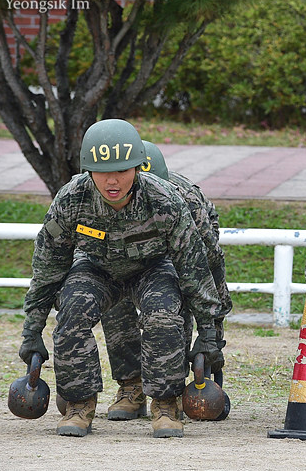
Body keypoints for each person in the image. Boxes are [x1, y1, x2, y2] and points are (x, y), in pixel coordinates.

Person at [17, 119, 224, 438]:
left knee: (165, 310)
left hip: (152, 266)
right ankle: (78, 405)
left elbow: (194, 270)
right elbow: (48, 269)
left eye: (122, 171)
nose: (112, 180)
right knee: (72, 307)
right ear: (88, 170)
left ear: (138, 168)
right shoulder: (71, 200)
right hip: (98, 266)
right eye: (102, 172)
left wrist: (209, 332)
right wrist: (32, 330)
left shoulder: (166, 200)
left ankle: (166, 404)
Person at [99, 141, 232, 421]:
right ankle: (131, 387)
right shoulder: (104, 197)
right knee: (114, 301)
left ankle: (170, 389)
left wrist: (212, 336)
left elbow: (209, 268)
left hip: (174, 248)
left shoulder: (187, 202)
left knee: (171, 302)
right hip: (125, 248)